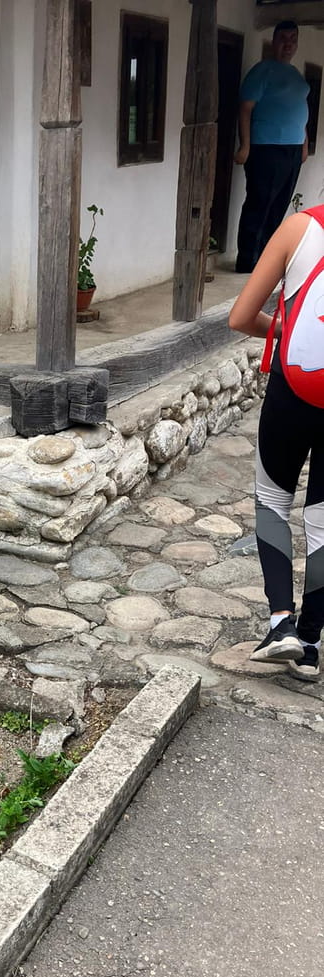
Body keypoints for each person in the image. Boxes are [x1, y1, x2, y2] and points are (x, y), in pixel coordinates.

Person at [229, 207, 324, 681]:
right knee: (323, 520)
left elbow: (240, 317)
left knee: (272, 501)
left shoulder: (300, 227)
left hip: (294, 388)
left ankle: (281, 623)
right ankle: (310, 646)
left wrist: (283, 327)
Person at [234, 20, 309, 274]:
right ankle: (248, 261)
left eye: (293, 39)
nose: (288, 44)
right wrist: (245, 146)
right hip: (266, 147)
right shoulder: (262, 71)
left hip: (292, 148)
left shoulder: (296, 75)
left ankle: (267, 259)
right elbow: (245, 109)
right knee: (259, 204)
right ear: (274, 41)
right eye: (283, 39)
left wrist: (304, 143)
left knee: (279, 205)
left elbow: (301, 112)